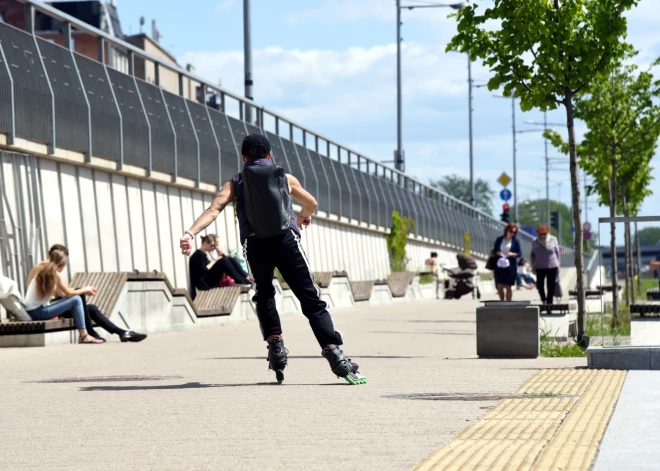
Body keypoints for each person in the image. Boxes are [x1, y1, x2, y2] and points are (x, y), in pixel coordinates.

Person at [179, 133, 366, 385]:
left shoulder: (235, 183)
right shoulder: (285, 178)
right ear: (269, 155)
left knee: (264, 295)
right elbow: (311, 203)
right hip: (286, 242)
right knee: (310, 298)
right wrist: (303, 216)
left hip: (255, 245)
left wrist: (190, 233)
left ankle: (276, 347)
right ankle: (335, 354)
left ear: (243, 157)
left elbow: (213, 210)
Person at [47, 244, 147, 343]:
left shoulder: (54, 272)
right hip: (53, 310)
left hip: (59, 307)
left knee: (92, 308)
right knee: (80, 294)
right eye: (63, 260)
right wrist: (84, 290)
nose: (64, 264)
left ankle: (122, 332)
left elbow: (62, 293)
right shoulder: (50, 273)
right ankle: (89, 332)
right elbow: (64, 294)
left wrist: (82, 290)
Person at [24, 248, 103, 344]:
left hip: (33, 311)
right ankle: (84, 335)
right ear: (61, 265)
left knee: (75, 299)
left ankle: (85, 334)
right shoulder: (54, 274)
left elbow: (63, 294)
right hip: (38, 312)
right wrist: (86, 289)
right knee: (77, 299)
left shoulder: (43, 270)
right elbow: (69, 294)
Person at [188, 234, 251, 300]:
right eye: (211, 245)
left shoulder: (204, 254)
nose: (212, 248)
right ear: (205, 243)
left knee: (229, 258)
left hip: (208, 279)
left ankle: (245, 276)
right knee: (223, 261)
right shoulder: (198, 254)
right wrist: (215, 260)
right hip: (206, 283)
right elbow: (204, 269)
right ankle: (241, 280)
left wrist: (221, 255)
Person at [530, 225, 561, 307]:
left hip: (552, 266)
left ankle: (549, 302)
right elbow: (532, 255)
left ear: (547, 233)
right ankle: (543, 299)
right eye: (541, 234)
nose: (543, 236)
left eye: (544, 234)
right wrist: (532, 266)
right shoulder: (535, 241)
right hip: (539, 267)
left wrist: (558, 265)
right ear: (538, 234)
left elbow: (557, 253)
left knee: (551, 285)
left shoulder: (553, 239)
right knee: (540, 285)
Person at [493, 223, 521, 301]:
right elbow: (495, 250)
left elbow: (519, 253)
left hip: (510, 266)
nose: (512, 233)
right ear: (506, 230)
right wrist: (498, 252)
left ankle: (508, 303)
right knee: (499, 285)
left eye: (514, 232)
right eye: (511, 231)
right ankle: (502, 301)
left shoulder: (515, 241)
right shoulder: (499, 239)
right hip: (500, 265)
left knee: (509, 286)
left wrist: (512, 254)